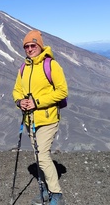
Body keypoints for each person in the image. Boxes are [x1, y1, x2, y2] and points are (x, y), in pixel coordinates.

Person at [12, 30, 68, 205]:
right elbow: (17, 90)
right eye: (26, 46)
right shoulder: (24, 68)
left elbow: (62, 91)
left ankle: (56, 194)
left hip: (48, 119)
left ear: (40, 46)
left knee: (42, 155)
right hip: (30, 120)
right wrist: (20, 101)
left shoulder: (51, 65)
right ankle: (44, 190)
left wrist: (37, 102)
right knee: (38, 157)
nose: (29, 49)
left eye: (33, 45)